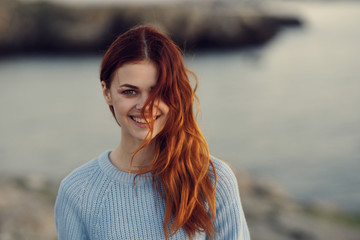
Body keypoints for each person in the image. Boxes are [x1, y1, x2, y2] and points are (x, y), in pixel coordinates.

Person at [55, 25, 250, 240]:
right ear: (106, 92)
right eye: (129, 91)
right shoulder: (76, 191)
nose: (145, 106)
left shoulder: (213, 181)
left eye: (158, 91)